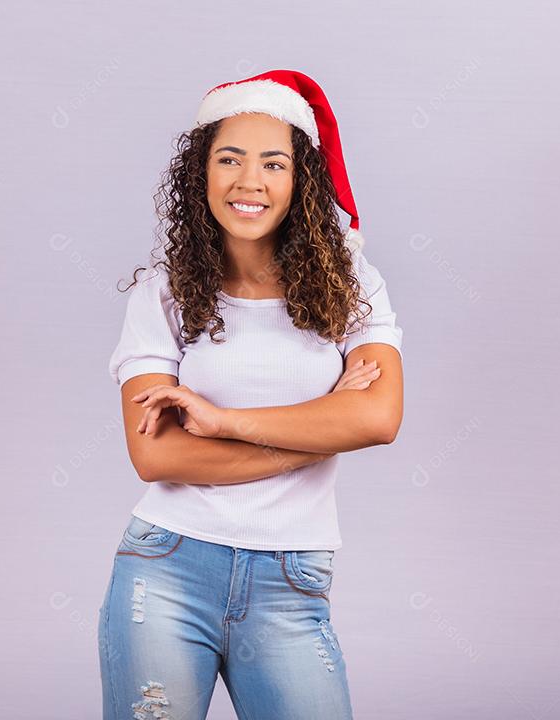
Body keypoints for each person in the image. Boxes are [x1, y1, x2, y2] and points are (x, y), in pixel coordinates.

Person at [98, 69, 404, 720]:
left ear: (301, 182)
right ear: (200, 174)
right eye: (229, 160)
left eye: (273, 163)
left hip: (291, 580)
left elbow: (377, 417)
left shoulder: (353, 286)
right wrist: (318, 433)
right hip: (166, 571)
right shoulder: (161, 293)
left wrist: (220, 420)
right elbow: (157, 458)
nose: (249, 182)